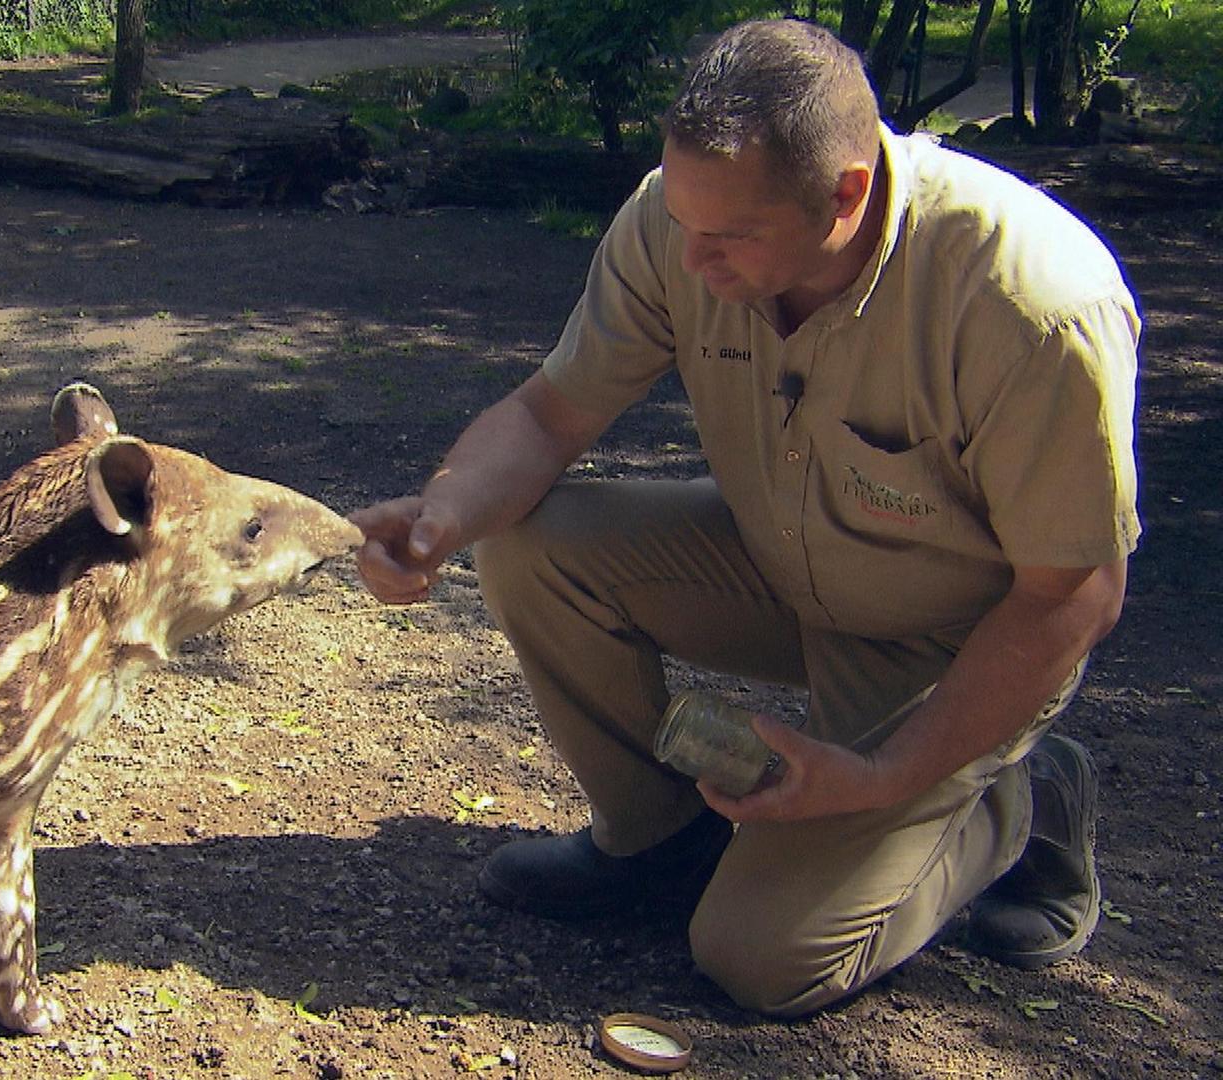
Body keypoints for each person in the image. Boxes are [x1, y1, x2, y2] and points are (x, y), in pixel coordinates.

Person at [351, 17, 1139, 1017]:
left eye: (729, 236)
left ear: (847, 194)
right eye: (684, 222)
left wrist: (881, 773)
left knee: (761, 961)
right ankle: (657, 846)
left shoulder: (1028, 305)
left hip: (955, 650)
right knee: (530, 543)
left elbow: (1071, 597)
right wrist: (438, 518)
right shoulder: (682, 224)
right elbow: (551, 414)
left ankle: (1012, 804)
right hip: (782, 564)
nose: (693, 259)